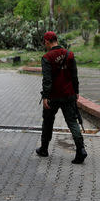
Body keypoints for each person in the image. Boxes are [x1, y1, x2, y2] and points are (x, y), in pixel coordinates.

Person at [36, 31, 88, 164]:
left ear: (47, 41)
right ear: (56, 39)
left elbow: (47, 80)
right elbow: (74, 76)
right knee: (72, 122)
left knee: (48, 121)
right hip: (68, 94)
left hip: (53, 96)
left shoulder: (47, 57)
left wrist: (46, 96)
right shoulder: (69, 54)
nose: (45, 44)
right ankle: (81, 149)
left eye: (45, 42)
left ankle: (44, 148)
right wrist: (76, 91)